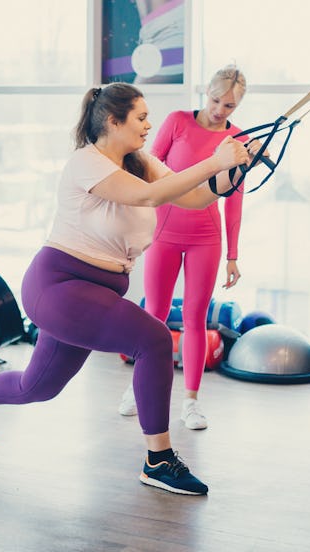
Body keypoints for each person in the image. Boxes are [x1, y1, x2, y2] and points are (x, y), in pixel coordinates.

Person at [0, 82, 249, 496]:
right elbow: (152, 197)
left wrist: (234, 168)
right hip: (59, 285)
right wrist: (214, 161)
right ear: (112, 121)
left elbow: (191, 196)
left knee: (38, 386)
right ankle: (158, 460)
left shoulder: (141, 161)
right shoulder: (86, 163)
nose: (148, 125)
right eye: (140, 117)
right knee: (154, 339)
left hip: (94, 293)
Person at [117, 65, 263, 430]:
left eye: (229, 106)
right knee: (155, 315)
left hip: (206, 238)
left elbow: (234, 198)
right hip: (165, 232)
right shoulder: (177, 121)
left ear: (238, 105)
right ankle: (138, 389)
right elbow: (146, 170)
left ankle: (191, 402)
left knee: (196, 317)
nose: (219, 110)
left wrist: (233, 256)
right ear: (206, 92)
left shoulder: (237, 141)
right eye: (215, 100)